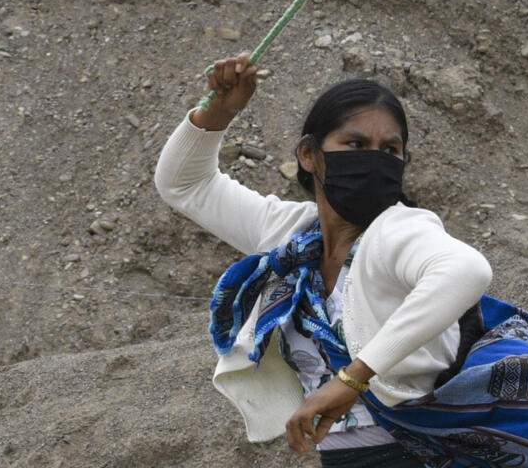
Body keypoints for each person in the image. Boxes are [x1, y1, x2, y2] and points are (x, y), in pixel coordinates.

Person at [155, 54, 491, 467]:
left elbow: (466, 270)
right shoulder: (292, 234)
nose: (374, 159)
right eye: (355, 144)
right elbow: (184, 184)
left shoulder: (401, 231)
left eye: (390, 149)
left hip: (419, 454)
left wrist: (354, 377)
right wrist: (220, 109)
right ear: (308, 155)